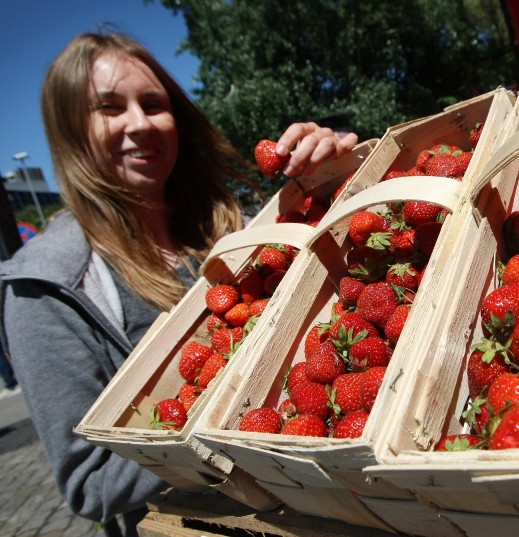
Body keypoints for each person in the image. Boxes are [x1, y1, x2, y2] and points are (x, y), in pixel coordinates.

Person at [0, 31, 357, 536]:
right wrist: (209, 428)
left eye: (152, 103)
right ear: (70, 132)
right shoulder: (47, 287)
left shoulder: (229, 229)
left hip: (311, 498)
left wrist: (327, 177)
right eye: (109, 108)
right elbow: (88, 481)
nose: (140, 124)